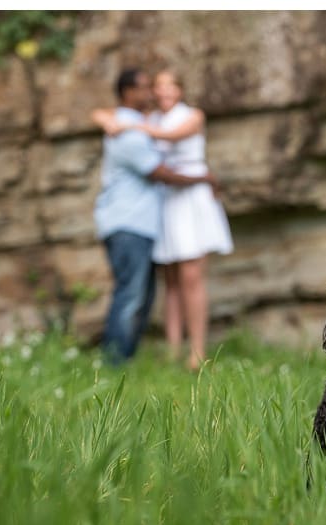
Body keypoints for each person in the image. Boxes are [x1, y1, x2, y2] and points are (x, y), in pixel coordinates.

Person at [95, 69, 233, 371]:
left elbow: (173, 136)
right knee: (169, 282)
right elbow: (102, 113)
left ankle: (196, 352)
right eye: (157, 86)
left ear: (182, 89)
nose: (162, 91)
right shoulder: (148, 120)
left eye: (171, 85)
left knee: (190, 277)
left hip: (189, 196)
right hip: (167, 202)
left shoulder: (188, 115)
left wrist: (130, 126)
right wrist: (110, 120)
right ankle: (171, 351)